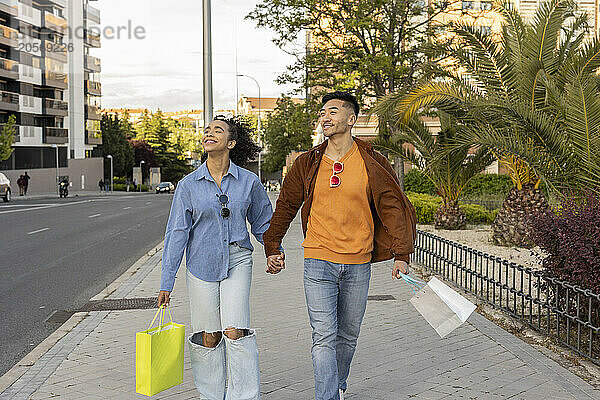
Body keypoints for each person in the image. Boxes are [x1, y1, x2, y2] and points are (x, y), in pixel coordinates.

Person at [263, 91, 417, 400]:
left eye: (333, 111)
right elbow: (286, 205)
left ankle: (337, 384)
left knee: (347, 335)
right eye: (322, 112)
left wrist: (402, 254)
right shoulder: (308, 162)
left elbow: (392, 207)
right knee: (324, 336)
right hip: (317, 260)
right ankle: (328, 396)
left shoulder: (372, 161)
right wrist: (272, 245)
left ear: (351, 119)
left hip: (358, 262)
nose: (325, 116)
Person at [157, 115, 282, 400]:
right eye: (207, 130)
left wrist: (274, 251)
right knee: (209, 337)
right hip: (200, 266)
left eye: (218, 130)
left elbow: (263, 222)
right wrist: (167, 281)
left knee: (235, 331)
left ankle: (245, 396)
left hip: (238, 260)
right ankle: (211, 396)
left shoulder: (249, 182)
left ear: (231, 142)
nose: (209, 133)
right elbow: (177, 233)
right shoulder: (188, 185)